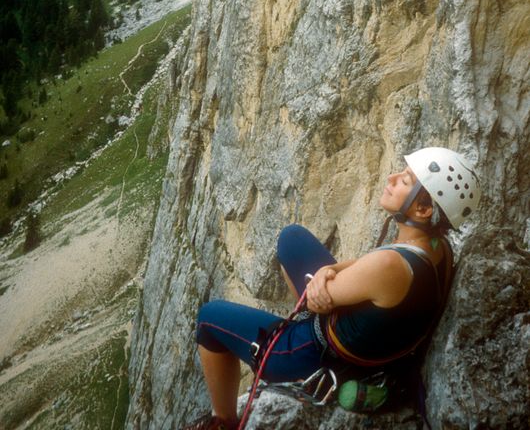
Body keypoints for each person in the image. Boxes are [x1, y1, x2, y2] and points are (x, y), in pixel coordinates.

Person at [181, 147, 481, 430]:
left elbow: (317, 300)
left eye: (404, 180)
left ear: (424, 208)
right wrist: (328, 271)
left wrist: (322, 284)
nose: (391, 178)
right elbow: (366, 267)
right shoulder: (436, 247)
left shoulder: (391, 266)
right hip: (370, 338)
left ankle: (224, 420)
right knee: (292, 238)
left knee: (209, 318)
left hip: (317, 351)